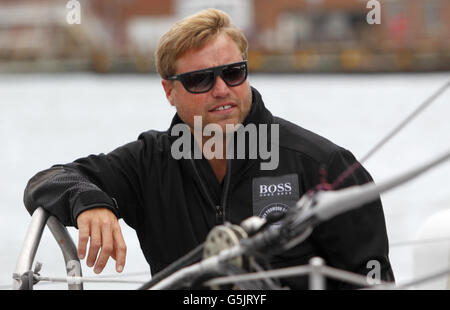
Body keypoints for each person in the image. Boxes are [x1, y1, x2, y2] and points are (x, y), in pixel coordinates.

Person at [23, 8, 394, 289]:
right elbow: (48, 180)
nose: (222, 90)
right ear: (169, 92)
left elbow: (374, 280)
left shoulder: (324, 166)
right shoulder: (150, 162)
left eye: (233, 73)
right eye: (200, 79)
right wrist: (89, 201)